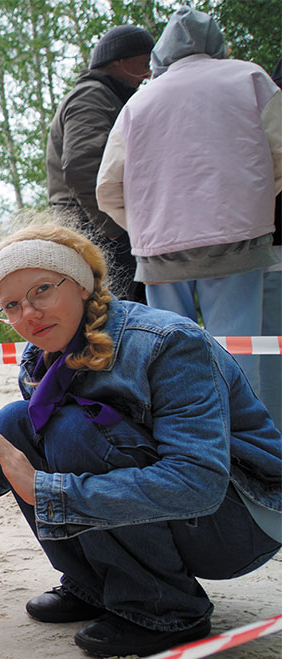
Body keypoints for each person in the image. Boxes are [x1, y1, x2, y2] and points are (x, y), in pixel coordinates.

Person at [0, 222, 281, 658]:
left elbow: (197, 480)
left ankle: (165, 609)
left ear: (81, 284)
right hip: (186, 511)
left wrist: (49, 491)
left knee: (75, 429)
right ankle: (94, 586)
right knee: (15, 422)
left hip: (236, 520)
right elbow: (46, 454)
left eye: (41, 291)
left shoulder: (169, 343)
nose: (28, 314)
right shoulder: (40, 358)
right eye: (12, 305)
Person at [96, 6, 281, 407]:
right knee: (241, 352)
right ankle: (252, 454)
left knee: (171, 352)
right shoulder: (250, 78)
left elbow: (107, 187)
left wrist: (145, 226)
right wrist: (257, 203)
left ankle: (188, 442)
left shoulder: (138, 103)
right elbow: (279, 152)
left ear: (160, 54)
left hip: (159, 252)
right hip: (239, 241)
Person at [46, 23, 154, 303]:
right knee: (113, 315)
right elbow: (82, 166)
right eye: (143, 62)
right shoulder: (93, 96)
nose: (147, 72)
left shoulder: (104, 95)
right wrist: (115, 229)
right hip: (93, 226)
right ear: (118, 61)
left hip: (94, 224)